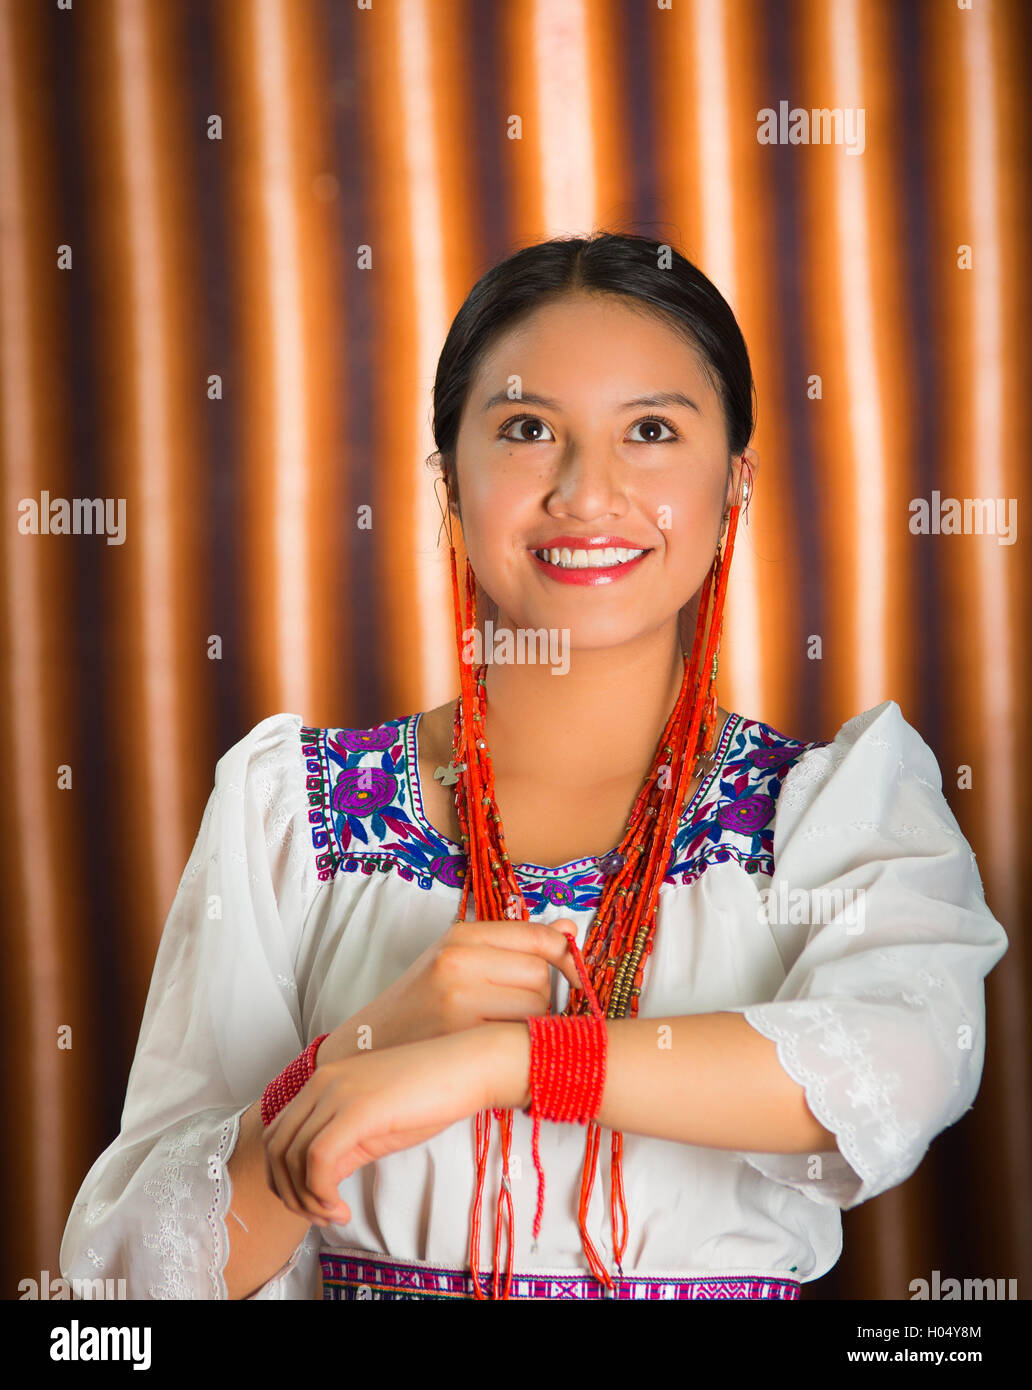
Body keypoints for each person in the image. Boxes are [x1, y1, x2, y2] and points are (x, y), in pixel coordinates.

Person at [60, 232, 1008, 1301]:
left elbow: (900, 1061)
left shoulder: (831, 812)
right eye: (525, 429)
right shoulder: (294, 810)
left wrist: (505, 1061)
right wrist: (338, 1064)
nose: (586, 492)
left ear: (736, 481)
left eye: (651, 430)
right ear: (448, 486)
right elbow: (136, 1287)